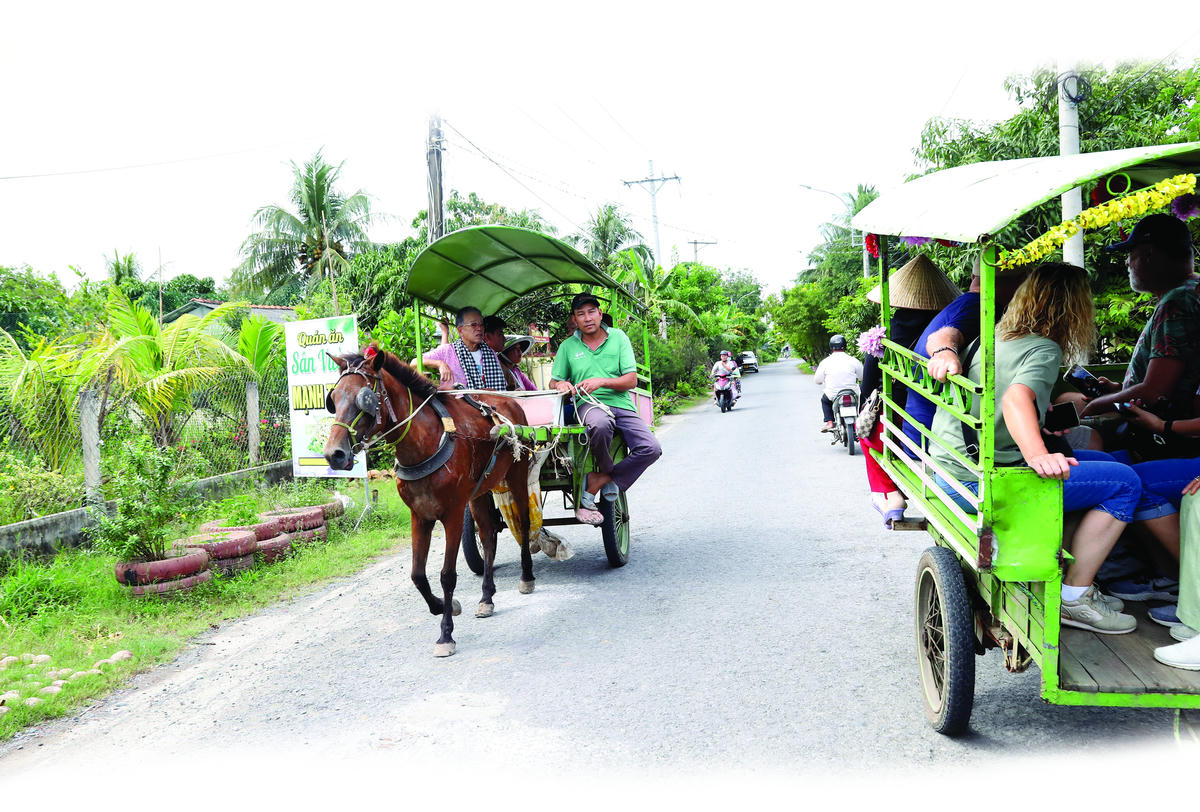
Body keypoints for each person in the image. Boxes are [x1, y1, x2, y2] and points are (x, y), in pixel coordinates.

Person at [930, 262, 1180, 635]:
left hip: (953, 468)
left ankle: (1073, 577)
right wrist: (1039, 455)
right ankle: (1075, 598)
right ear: (1074, 309)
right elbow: (1015, 400)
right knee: (1125, 482)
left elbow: (1003, 402)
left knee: (1099, 463)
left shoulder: (992, 337)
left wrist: (1040, 424)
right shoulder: (1044, 348)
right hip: (982, 480)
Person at [1077, 214, 1200, 460]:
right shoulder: (1191, 291)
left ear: (1149, 255)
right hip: (1169, 431)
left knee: (1071, 426)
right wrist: (1119, 388)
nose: (1127, 263)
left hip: (1165, 439)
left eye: (1130, 254)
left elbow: (1155, 391)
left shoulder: (1176, 303)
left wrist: (1096, 405)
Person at [858, 253, 960, 526]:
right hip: (940, 417)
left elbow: (868, 386)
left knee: (868, 436)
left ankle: (892, 497)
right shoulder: (949, 333)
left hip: (895, 419)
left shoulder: (882, 337)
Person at [550, 292, 662, 525]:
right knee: (600, 424)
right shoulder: (567, 347)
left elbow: (631, 380)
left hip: (622, 404)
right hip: (588, 404)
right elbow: (554, 381)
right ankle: (606, 472)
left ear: (600, 314)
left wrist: (601, 381)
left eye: (591, 312)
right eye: (581, 314)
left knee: (651, 448)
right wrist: (561, 384)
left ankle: (601, 478)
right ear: (575, 319)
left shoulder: (618, 337)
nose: (587, 318)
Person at [903, 258, 1029, 449]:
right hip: (936, 440)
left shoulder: (964, 303)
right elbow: (942, 337)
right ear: (1018, 283)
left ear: (973, 277)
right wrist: (944, 352)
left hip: (919, 432)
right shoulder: (981, 307)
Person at [419, 306, 507, 391]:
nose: (479, 328)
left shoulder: (490, 353)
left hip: (492, 400)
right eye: (473, 325)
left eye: (481, 325)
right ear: (461, 330)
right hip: (458, 400)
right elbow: (415, 362)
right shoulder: (448, 350)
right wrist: (440, 364)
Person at [813, 335, 862, 431]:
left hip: (833, 394)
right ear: (845, 346)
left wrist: (822, 382)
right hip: (852, 392)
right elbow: (862, 377)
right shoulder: (854, 361)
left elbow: (817, 380)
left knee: (825, 401)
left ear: (831, 347)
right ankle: (861, 418)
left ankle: (830, 422)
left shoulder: (825, 362)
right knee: (862, 400)